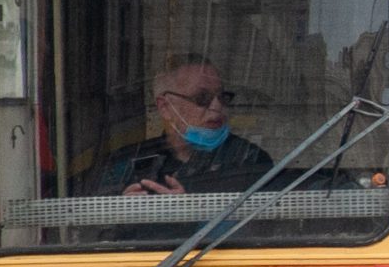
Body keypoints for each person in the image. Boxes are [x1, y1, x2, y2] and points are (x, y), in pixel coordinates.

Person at [94, 56, 273, 196]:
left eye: (222, 97)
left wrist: (188, 212)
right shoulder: (125, 164)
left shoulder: (249, 160)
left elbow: (258, 233)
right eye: (202, 98)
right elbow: (94, 233)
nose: (217, 107)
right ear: (165, 107)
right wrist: (122, 217)